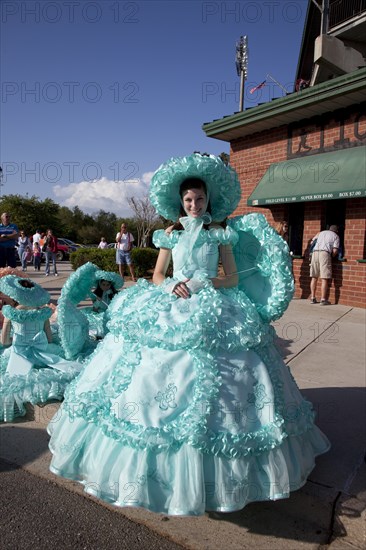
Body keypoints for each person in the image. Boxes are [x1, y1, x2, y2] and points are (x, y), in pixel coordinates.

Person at [48, 153, 329, 516]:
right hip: (173, 301)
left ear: (208, 201)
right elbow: (158, 276)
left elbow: (232, 278)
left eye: (199, 199)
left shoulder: (220, 234)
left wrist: (204, 282)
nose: (194, 205)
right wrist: (173, 287)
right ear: (180, 204)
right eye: (188, 200)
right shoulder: (170, 235)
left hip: (215, 302)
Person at [0, 275, 82, 422]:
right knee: (62, 366)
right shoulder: (43, 313)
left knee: (11, 379)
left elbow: (4, 341)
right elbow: (49, 338)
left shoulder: (10, 314)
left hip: (18, 353)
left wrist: (15, 339)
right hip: (43, 351)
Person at [309, 225, 340, 305]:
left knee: (314, 277)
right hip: (325, 253)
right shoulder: (336, 236)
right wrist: (332, 256)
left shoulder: (320, 233)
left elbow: (312, 242)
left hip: (315, 253)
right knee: (324, 278)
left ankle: (312, 298)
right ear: (336, 231)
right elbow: (335, 250)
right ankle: (323, 300)